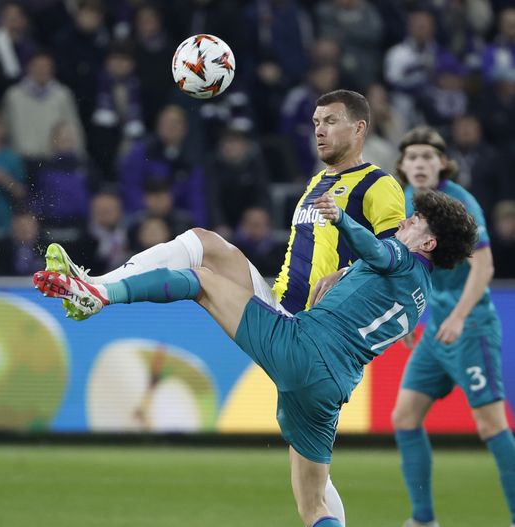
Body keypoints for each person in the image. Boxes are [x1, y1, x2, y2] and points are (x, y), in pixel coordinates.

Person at [43, 89, 407, 525]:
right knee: (201, 243)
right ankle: (94, 288)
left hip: (317, 332)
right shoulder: (317, 183)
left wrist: (346, 276)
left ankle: (97, 291)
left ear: (360, 127)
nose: (320, 131)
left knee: (314, 485)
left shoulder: (380, 185)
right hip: (282, 309)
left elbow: (395, 259)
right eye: (315, 123)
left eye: (330, 121)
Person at [34, 190, 478, 527]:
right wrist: (345, 273)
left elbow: (379, 251)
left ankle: (99, 292)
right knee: (314, 504)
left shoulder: (400, 255)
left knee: (202, 279)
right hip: (331, 389)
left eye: (416, 220)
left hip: (304, 348)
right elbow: (376, 281)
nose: (405, 221)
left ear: (431, 242)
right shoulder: (422, 297)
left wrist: (342, 219)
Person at [389, 127, 515, 527]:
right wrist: (410, 316)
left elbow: (485, 266)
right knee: (404, 417)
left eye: (428, 156)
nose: (421, 163)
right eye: (413, 157)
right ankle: (423, 520)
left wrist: (460, 316)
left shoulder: (461, 204)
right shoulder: (406, 201)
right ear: (403, 166)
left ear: (442, 163)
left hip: (470, 327)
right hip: (437, 330)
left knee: (491, 425)